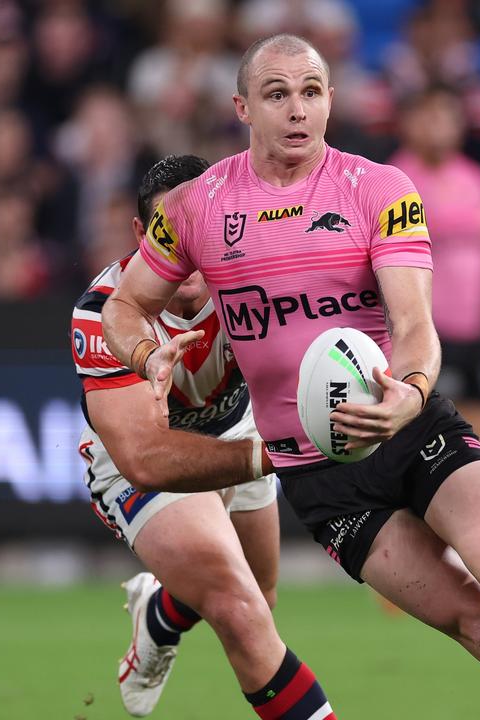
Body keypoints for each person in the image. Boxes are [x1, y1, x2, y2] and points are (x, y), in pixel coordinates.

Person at [104, 34, 480, 720]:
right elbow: (125, 304)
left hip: (409, 428)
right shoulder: (200, 206)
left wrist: (410, 392)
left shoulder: (379, 188)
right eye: (276, 94)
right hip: (320, 476)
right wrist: (148, 354)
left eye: (312, 92)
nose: (297, 110)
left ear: (330, 100)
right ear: (242, 107)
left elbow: (416, 323)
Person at [75, 154, 335, 719]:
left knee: (258, 600)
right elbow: (146, 457)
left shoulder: (253, 276)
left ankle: (161, 613)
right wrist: (273, 455)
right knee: (237, 606)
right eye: (173, 234)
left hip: (239, 428)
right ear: (143, 236)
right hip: (139, 462)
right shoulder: (103, 315)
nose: (190, 251)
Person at [389, 85, 480, 452]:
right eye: (429, 114)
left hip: (474, 331)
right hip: (419, 332)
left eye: (447, 114)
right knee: (421, 433)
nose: (439, 123)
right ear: (408, 123)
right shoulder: (392, 181)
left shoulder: (478, 181)